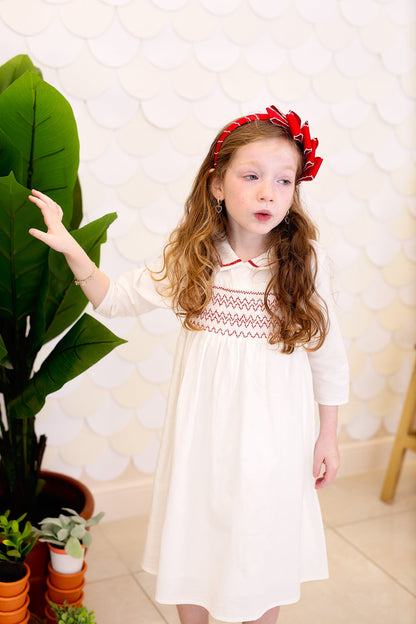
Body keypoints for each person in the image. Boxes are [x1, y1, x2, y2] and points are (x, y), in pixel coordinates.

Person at [29, 105, 349, 624]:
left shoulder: (305, 264)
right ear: (217, 184)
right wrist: (71, 248)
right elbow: (114, 299)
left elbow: (328, 355)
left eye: (284, 180)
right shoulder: (192, 258)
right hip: (201, 438)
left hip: (275, 440)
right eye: (252, 176)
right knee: (196, 537)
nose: (268, 193)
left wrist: (327, 436)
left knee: (263, 540)